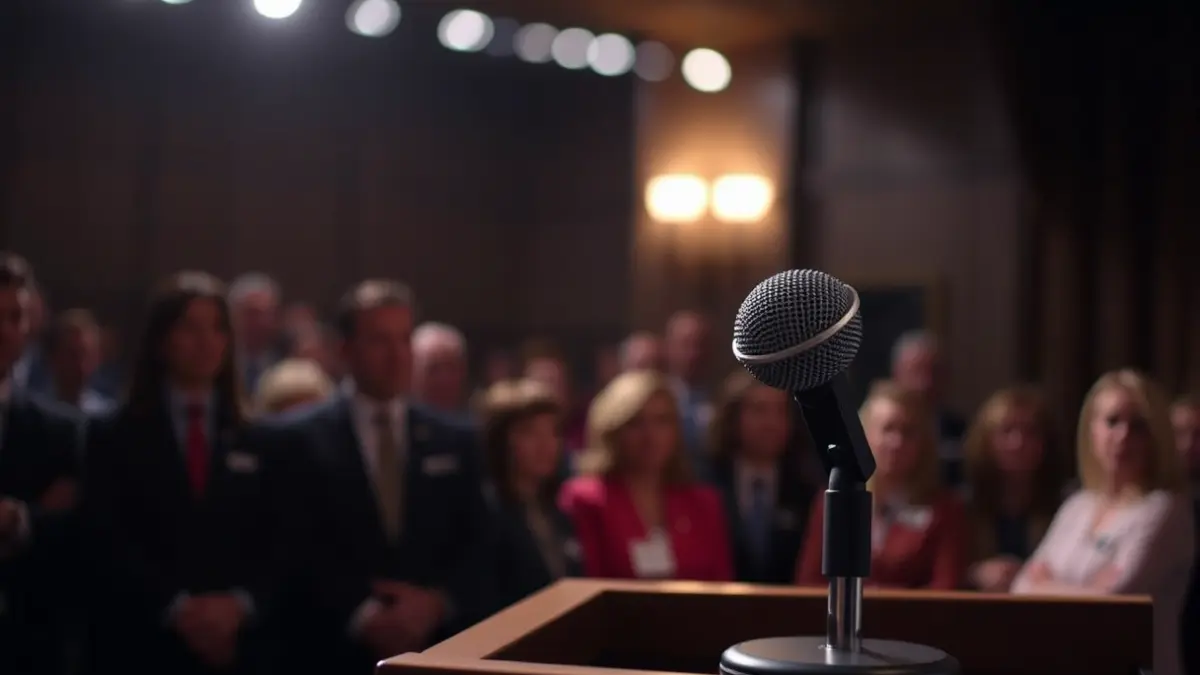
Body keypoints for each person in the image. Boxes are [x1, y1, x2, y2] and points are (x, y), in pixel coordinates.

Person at [267, 279, 493, 675]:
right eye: (379, 341)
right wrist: (360, 613)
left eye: (405, 340)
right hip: (328, 649)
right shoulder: (296, 438)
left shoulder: (455, 438)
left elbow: (479, 540)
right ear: (345, 350)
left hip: (437, 649)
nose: (397, 355)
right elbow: (289, 542)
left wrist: (436, 602)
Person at [83, 271, 287, 675]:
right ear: (161, 340)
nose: (206, 341)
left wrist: (239, 607)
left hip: (242, 645)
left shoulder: (261, 438)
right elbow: (106, 536)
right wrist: (177, 610)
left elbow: (282, 538)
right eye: (190, 327)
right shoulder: (114, 434)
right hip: (141, 642)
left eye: (217, 328)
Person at [1011, 370, 1194, 675]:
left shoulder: (1164, 509)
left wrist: (1046, 584)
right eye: (1112, 422)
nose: (1123, 436)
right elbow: (1019, 587)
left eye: (1138, 426)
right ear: (1091, 430)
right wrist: (1088, 589)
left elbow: (1116, 601)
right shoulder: (1077, 506)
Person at [559, 370, 732, 581]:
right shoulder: (586, 500)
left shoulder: (704, 502)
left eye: (663, 421)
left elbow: (722, 584)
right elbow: (587, 584)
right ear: (613, 430)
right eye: (635, 423)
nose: (651, 435)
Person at [795, 381, 968, 590]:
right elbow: (808, 583)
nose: (897, 442)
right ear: (864, 434)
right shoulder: (833, 501)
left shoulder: (946, 510)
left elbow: (945, 589)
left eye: (908, 431)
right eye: (888, 429)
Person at [0, 253, 82, 675]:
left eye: (15, 317)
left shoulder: (60, 433)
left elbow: (78, 536)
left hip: (26, 648)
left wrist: (19, 519)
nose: (4, 330)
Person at [481, 379, 581, 609]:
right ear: (501, 441)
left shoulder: (558, 507)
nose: (545, 444)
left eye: (552, 432)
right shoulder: (487, 513)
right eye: (529, 432)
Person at [709, 371, 815, 584]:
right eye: (759, 410)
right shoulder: (707, 483)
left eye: (780, 411)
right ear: (733, 417)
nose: (771, 423)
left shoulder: (807, 489)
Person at [962, 386, 1066, 591]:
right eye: (1006, 431)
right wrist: (974, 573)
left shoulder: (1068, 509)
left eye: (1030, 432)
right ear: (986, 441)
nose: (1018, 443)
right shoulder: (963, 507)